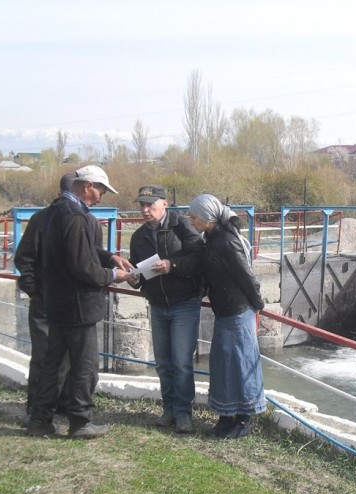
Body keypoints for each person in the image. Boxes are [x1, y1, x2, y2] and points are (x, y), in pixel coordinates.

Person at [27, 165, 134, 439]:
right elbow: (82, 265)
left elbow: (80, 251)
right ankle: (80, 421)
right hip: (78, 305)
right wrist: (113, 274)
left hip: (57, 302)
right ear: (87, 186)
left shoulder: (54, 213)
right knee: (84, 366)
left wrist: (110, 257)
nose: (101, 197)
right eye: (100, 190)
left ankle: (40, 419)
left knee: (54, 364)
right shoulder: (76, 216)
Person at [128, 185, 206, 433]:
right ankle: (169, 408)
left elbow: (200, 259)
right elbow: (138, 270)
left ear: (165, 203)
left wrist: (173, 265)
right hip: (157, 304)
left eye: (150, 204)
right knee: (163, 362)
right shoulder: (138, 236)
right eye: (141, 204)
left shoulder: (182, 226)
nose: (145, 209)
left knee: (182, 362)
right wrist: (134, 278)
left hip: (184, 303)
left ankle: (184, 413)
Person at [188, 193, 266, 439]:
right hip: (225, 312)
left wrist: (258, 305)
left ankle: (243, 419)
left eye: (193, 216)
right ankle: (225, 416)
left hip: (239, 312)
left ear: (207, 217)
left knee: (241, 366)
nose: (190, 220)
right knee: (223, 366)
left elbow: (245, 276)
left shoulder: (226, 241)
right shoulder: (211, 238)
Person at [14, 173, 75, 422]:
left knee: (68, 355)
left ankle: (61, 403)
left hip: (69, 302)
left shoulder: (77, 219)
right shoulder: (42, 220)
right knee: (44, 354)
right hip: (44, 301)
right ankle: (37, 406)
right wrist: (35, 291)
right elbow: (24, 258)